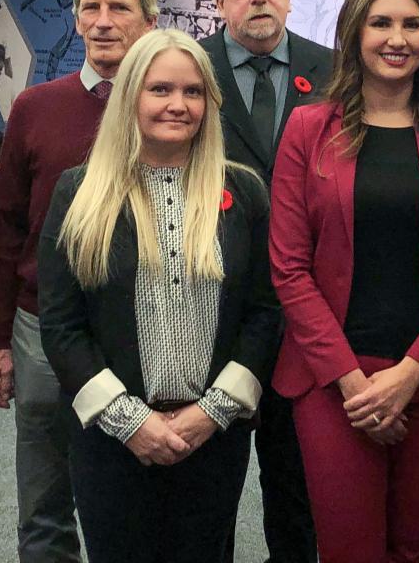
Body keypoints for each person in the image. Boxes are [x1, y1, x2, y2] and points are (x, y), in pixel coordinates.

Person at [268, 0, 419, 562]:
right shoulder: (307, 129)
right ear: (355, 35)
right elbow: (289, 268)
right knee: (349, 551)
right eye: (381, 23)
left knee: (414, 551)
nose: (397, 38)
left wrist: (412, 372)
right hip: (334, 383)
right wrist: (355, 384)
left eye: (411, 25)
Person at [38, 29, 280, 563]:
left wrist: (211, 413)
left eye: (193, 92)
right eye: (160, 89)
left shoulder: (244, 192)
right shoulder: (78, 193)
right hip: (110, 441)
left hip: (213, 438)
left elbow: (264, 314)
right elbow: (61, 323)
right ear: (130, 97)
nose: (178, 104)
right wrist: (130, 422)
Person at [0, 0, 157, 563]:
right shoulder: (35, 107)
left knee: (137, 485)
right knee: (46, 495)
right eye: (91, 8)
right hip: (40, 328)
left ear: (148, 21)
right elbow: (5, 229)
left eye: (119, 8)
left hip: (144, 325)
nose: (103, 22)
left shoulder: (172, 106)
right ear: (76, 19)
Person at [200, 0, 332, 563]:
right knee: (208, 486)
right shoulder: (189, 68)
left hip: (309, 307)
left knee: (297, 483)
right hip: (212, 306)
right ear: (220, 1)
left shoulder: (332, 70)